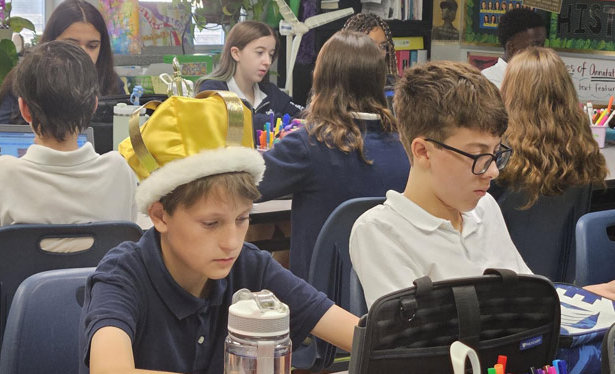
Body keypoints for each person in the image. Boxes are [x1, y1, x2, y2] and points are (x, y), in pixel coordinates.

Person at [80, 89, 358, 374]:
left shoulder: (249, 265)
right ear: (160, 215)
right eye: (211, 224)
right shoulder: (123, 275)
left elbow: (360, 336)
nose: (231, 242)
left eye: (242, 218)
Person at [349, 61, 531, 308]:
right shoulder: (381, 232)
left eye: (496, 153)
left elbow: (529, 297)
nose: (493, 171)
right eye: (478, 156)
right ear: (423, 151)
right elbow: (416, 340)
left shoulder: (485, 208)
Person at [0, 40, 138, 264]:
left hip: (21, 299)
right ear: (94, 105)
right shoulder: (120, 171)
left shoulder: (3, 175)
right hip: (101, 298)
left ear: (24, 109)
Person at [257, 30, 410, 281]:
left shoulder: (309, 144)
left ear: (321, 78)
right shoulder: (406, 147)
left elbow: (247, 184)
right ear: (379, 80)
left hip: (317, 304)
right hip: (385, 297)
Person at [490, 47, 608, 281]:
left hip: (507, 283)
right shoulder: (584, 151)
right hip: (563, 280)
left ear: (510, 93)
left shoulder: (498, 161)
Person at [0, 0, 124, 124]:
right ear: (50, 43)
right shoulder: (24, 79)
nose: (83, 54)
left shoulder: (111, 82)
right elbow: (0, 137)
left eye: (92, 46)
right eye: (71, 44)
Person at [196, 21, 303, 137]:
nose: (267, 62)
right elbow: (234, 122)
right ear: (236, 53)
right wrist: (279, 121)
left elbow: (302, 116)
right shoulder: (213, 90)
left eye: (271, 54)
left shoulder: (270, 92)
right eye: (259, 52)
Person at [481, 8, 546, 88]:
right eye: (534, 45)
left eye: (542, 45)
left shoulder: (541, 78)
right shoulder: (488, 82)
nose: (542, 51)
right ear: (512, 48)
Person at [343, 13, 399, 83]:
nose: (379, 52)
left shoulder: (393, 84)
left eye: (383, 46)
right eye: (371, 45)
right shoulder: (337, 86)